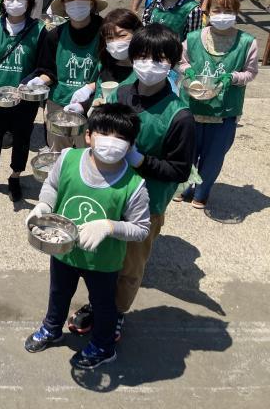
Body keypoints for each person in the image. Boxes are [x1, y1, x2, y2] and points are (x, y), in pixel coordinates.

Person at [69, 23, 195, 340]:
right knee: (99, 258)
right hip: (110, 193)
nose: (148, 65)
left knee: (129, 267)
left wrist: (141, 160)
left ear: (172, 63)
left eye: (158, 59)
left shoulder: (179, 115)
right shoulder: (123, 93)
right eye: (141, 56)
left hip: (146, 204)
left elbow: (180, 171)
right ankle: (99, 305)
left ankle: (118, 312)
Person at [24, 104, 149, 369]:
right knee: (58, 292)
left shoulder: (134, 184)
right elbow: (52, 185)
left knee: (103, 305)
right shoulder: (68, 157)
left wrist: (110, 227)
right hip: (63, 250)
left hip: (103, 262)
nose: (112, 143)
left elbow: (141, 229)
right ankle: (52, 327)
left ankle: (104, 346)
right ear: (89, 135)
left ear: (130, 145)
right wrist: (44, 205)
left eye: (121, 138)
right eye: (105, 133)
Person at [178, 0, 258, 209]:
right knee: (188, 150)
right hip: (193, 103)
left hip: (224, 110)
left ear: (236, 13)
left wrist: (233, 77)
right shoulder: (193, 38)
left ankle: (201, 192)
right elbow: (181, 61)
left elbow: (251, 72)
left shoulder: (246, 42)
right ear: (208, 13)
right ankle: (183, 186)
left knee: (213, 156)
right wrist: (188, 71)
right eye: (217, 10)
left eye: (228, 10)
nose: (222, 14)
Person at [0, 0, 47, 202]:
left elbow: (42, 65)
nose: (14, 2)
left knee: (22, 138)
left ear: (29, 2)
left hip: (24, 98)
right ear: (2, 2)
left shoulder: (39, 30)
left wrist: (27, 81)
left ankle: (16, 175)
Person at [32, 0, 106, 149]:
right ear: (64, 5)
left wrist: (90, 88)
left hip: (92, 105)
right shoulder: (55, 35)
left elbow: (111, 73)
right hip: (59, 104)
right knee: (58, 152)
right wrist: (41, 81)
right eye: (70, 0)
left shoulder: (105, 34)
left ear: (92, 4)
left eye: (82, 0)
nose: (76, 4)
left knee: (88, 152)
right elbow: (48, 71)